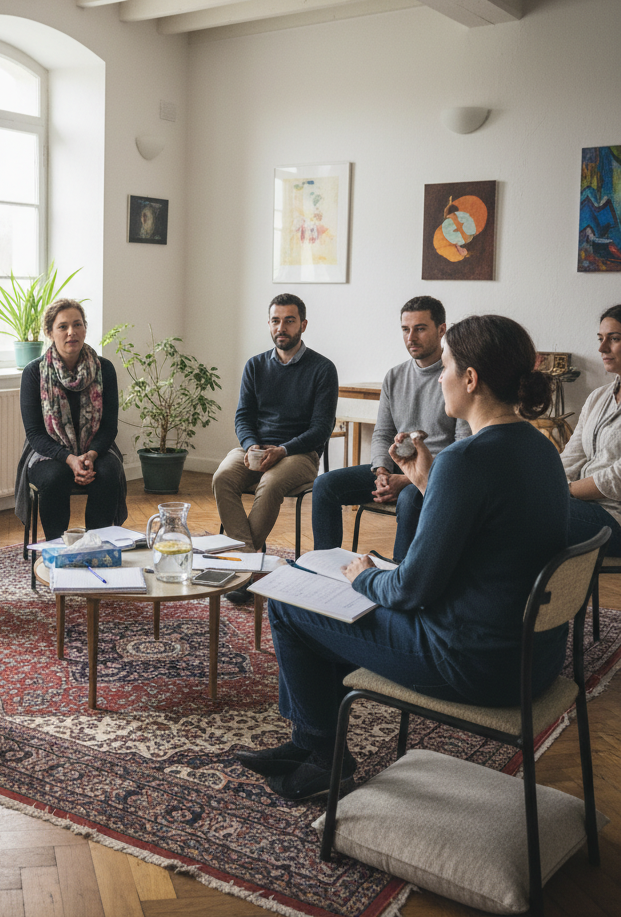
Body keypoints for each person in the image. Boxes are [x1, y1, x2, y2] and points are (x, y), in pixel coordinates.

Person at [236, 315, 568, 802]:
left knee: (290, 605)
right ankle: (309, 744)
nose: (441, 377)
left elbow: (412, 590)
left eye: (448, 366)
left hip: (470, 663)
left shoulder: (467, 459)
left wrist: (364, 576)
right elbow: (484, 529)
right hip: (534, 658)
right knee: (323, 598)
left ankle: (324, 757)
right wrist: (426, 481)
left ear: (471, 379)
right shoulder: (539, 448)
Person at [311, 296, 470, 561]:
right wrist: (382, 471)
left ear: (441, 330)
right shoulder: (394, 376)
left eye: (420, 328)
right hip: (397, 467)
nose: (411, 337)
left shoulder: (456, 376)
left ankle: (400, 579)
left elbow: (462, 446)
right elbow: (383, 433)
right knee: (325, 485)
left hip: (435, 473)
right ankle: (325, 568)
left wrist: (408, 480)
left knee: (408, 498)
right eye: (405, 329)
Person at [212, 293, 338, 603]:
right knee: (222, 477)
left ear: (303, 325)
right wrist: (251, 444)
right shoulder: (255, 365)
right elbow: (243, 416)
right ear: (269, 324)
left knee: (269, 485)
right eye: (276, 320)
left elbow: (321, 429)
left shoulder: (322, 369)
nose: (281, 327)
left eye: (289, 321)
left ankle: (239, 571)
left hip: (299, 454)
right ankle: (250, 556)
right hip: (256, 447)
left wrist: (282, 450)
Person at [14, 298, 127, 540]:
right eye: (63, 326)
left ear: (85, 328)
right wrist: (69, 459)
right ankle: (57, 548)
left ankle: (97, 545)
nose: (71, 332)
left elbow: (109, 426)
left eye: (77, 325)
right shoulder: (34, 373)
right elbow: (34, 434)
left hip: (97, 448)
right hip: (47, 451)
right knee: (56, 477)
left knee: (108, 472)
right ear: (49, 332)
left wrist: (91, 455)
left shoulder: (104, 369)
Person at [561, 303, 621, 555]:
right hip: (578, 504)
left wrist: (566, 491)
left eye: (614, 339)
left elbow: (617, 479)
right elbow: (572, 455)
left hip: (613, 518)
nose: (601, 348)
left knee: (526, 515)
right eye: (600, 338)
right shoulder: (599, 396)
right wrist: (550, 484)